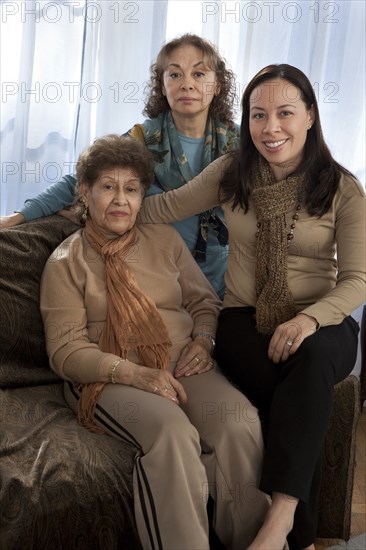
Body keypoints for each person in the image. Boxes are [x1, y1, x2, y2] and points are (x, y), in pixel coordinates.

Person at [138, 64, 366, 549]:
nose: (271, 128)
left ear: (310, 115)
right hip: (245, 319)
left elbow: (357, 280)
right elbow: (165, 207)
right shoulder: (232, 173)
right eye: (258, 115)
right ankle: (298, 538)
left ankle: (278, 523)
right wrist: (97, 203)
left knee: (314, 361)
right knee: (304, 397)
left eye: (285, 113)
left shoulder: (342, 188)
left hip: (323, 317)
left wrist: (308, 319)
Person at [40, 135, 269, 550]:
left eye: (131, 189)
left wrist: (203, 341)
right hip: (110, 376)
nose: (120, 200)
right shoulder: (65, 262)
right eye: (108, 187)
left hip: (182, 362)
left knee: (240, 423)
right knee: (174, 434)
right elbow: (65, 352)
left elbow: (204, 302)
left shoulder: (164, 241)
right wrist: (135, 374)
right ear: (85, 193)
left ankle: (257, 543)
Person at [1, 34, 240, 299]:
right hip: (159, 274)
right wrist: (19, 217)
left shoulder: (240, 144)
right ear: (162, 85)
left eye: (198, 74)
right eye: (175, 75)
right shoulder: (143, 139)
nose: (186, 85)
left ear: (217, 84)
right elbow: (81, 180)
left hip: (229, 275)